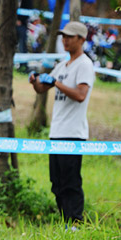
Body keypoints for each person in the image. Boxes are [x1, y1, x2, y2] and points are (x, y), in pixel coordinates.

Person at [29, 21, 95, 223]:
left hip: (73, 133)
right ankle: (65, 220)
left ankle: (75, 222)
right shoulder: (62, 65)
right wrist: (35, 81)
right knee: (56, 182)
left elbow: (81, 94)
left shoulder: (84, 64)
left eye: (70, 37)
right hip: (56, 132)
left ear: (81, 39)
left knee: (70, 181)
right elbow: (42, 89)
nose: (65, 40)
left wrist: (56, 82)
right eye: (63, 36)